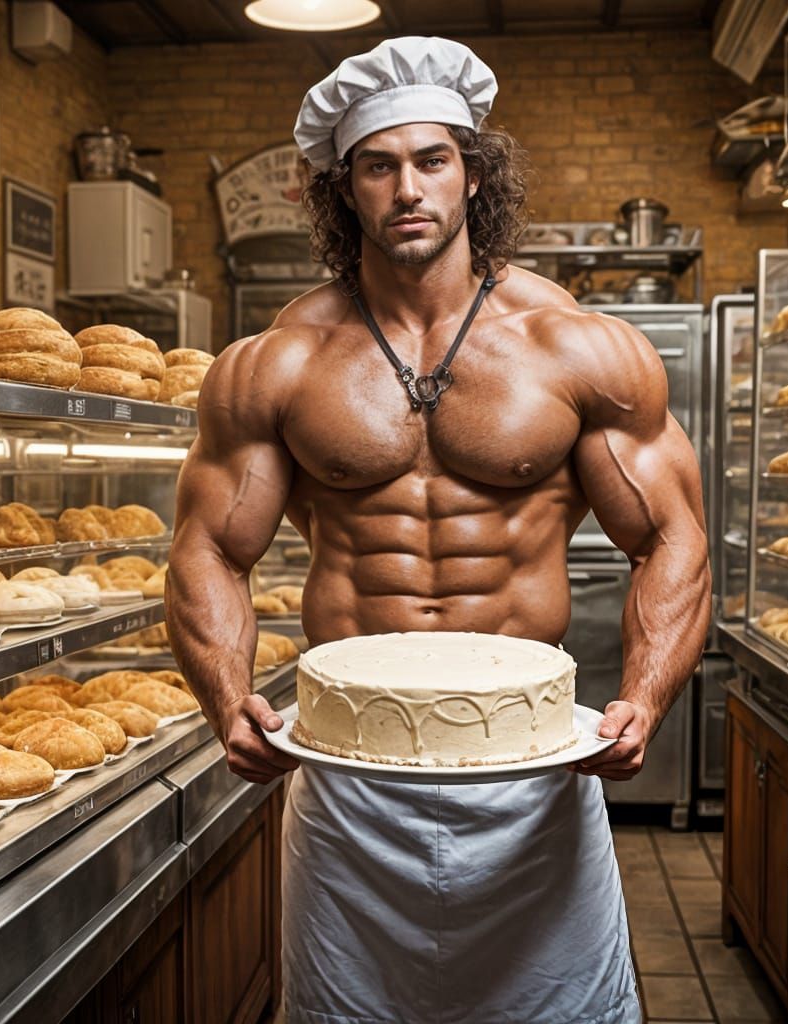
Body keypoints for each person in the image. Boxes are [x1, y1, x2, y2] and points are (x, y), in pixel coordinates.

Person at [166, 36, 710, 1024]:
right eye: (376, 166)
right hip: (347, 766)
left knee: (557, 1012)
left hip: (529, 765)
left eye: (431, 160)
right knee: (345, 1011)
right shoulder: (277, 362)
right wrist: (225, 697)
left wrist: (645, 693)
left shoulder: (573, 346)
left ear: (472, 174)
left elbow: (671, 534)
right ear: (343, 191)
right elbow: (208, 547)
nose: (405, 188)